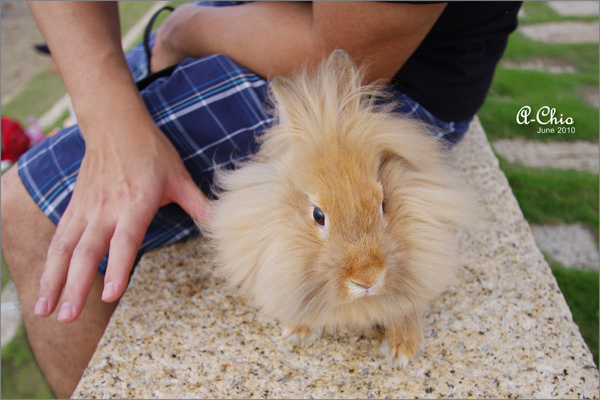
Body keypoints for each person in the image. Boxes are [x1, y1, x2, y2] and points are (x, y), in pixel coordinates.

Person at [0, 1, 521, 397]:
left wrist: (183, 27)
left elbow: (333, 50)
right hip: (251, 17)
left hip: (397, 69)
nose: (366, 271)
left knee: (30, 207)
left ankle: (400, 307)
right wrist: (105, 106)